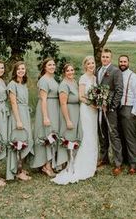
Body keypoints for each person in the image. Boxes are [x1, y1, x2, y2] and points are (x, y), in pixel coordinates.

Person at [52, 56, 98, 184]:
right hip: (86, 109)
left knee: (93, 135)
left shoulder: (94, 78)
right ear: (85, 65)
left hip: (94, 111)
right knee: (87, 135)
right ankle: (83, 164)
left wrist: (99, 102)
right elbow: (81, 96)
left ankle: (92, 163)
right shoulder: (82, 78)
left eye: (93, 63)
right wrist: (92, 103)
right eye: (88, 63)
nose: (91, 65)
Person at [31, 58, 60, 177]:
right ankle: (46, 166)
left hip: (54, 108)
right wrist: (45, 117)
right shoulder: (43, 80)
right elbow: (43, 99)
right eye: (49, 65)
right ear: (44, 67)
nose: (52, 66)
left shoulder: (53, 79)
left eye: (53, 64)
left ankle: (50, 162)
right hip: (46, 108)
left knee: (52, 135)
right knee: (46, 134)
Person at [97, 48, 123, 176]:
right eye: (103, 57)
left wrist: (112, 106)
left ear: (110, 58)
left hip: (110, 109)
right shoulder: (98, 70)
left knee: (113, 134)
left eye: (107, 57)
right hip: (99, 109)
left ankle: (118, 163)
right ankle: (104, 158)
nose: (105, 59)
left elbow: (119, 91)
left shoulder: (115, 71)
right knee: (102, 133)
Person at [6, 61, 33, 181]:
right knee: (18, 141)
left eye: (23, 68)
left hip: (25, 113)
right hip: (18, 114)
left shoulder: (23, 83)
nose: (21, 71)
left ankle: (20, 167)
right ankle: (17, 171)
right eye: (19, 69)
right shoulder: (12, 84)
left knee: (25, 140)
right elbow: (13, 103)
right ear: (15, 71)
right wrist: (18, 120)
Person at [53, 63, 83, 173]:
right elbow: (63, 103)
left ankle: (73, 160)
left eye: (72, 70)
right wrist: (68, 120)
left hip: (76, 111)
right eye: (68, 71)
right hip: (68, 112)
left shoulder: (74, 82)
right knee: (68, 136)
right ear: (64, 73)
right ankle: (64, 162)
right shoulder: (63, 85)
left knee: (74, 136)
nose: (70, 72)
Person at [118, 55, 136, 175]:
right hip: (118, 109)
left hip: (129, 108)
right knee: (121, 135)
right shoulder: (117, 74)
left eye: (125, 61)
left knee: (130, 137)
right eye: (121, 61)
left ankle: (134, 163)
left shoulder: (134, 77)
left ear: (128, 63)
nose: (122, 63)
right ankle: (125, 159)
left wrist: (133, 112)